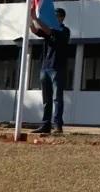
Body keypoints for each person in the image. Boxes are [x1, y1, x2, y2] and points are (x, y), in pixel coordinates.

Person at [30, 7, 70, 135]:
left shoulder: (64, 31)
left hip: (57, 68)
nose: (53, 18)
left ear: (61, 18)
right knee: (46, 99)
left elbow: (48, 30)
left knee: (57, 98)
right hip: (45, 68)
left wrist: (36, 18)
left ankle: (57, 125)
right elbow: (35, 30)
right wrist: (30, 20)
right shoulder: (49, 31)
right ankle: (45, 125)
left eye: (55, 16)